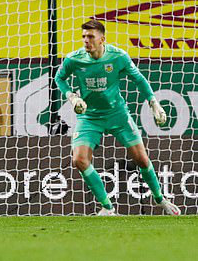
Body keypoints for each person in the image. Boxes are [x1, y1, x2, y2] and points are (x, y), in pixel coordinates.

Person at [55, 19, 181, 216]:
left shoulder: (118, 56)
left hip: (117, 114)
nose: (86, 40)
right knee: (79, 160)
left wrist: (153, 102)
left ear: (102, 39)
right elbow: (59, 78)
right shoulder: (74, 59)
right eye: (83, 36)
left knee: (141, 158)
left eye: (90, 37)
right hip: (90, 117)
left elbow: (139, 79)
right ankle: (107, 207)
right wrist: (71, 96)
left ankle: (160, 199)